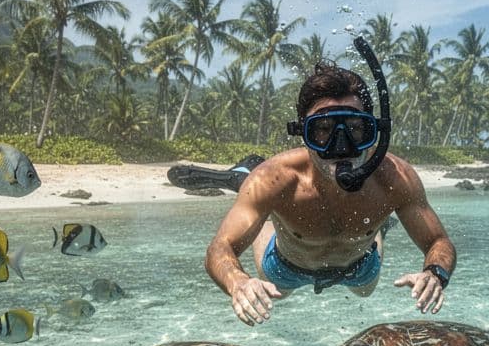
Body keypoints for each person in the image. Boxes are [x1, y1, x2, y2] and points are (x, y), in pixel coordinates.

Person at [184, 48, 455, 326]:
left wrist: (435, 273)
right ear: (304, 133)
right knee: (273, 273)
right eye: (323, 130)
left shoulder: (395, 179)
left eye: (354, 128)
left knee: (365, 292)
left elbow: (438, 241)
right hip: (285, 266)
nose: (341, 146)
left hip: (359, 268)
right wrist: (237, 281)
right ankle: (247, 183)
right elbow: (220, 247)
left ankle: (376, 228)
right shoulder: (275, 179)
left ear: (372, 131)